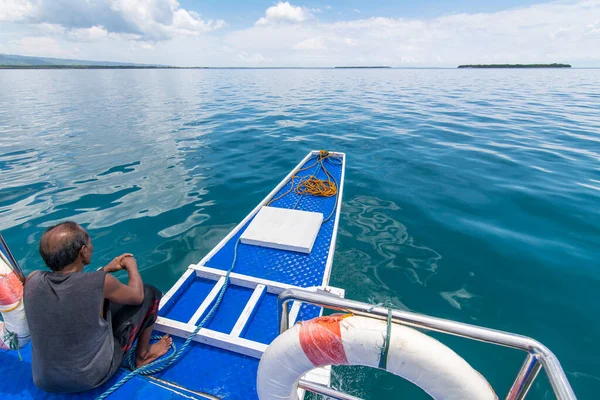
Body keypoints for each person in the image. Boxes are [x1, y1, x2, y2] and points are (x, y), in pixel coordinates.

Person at [23, 221, 173, 393]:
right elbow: (137, 296)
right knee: (149, 293)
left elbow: (75, 287)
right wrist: (132, 266)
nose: (91, 246)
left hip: (45, 381)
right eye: (89, 243)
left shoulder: (33, 280)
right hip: (91, 377)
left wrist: (106, 269)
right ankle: (143, 356)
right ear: (83, 251)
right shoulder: (100, 283)